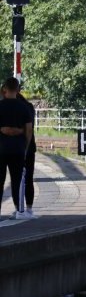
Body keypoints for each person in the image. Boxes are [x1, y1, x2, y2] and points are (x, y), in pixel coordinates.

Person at [0, 76, 30, 219]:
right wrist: (25, 147)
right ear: (18, 90)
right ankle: (19, 210)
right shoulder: (24, 107)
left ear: (5, 89)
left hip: (1, 149)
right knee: (17, 181)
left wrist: (5, 130)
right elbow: (28, 130)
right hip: (18, 149)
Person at [12, 78, 34, 219]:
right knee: (27, 178)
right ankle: (28, 209)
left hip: (12, 147)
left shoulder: (6, 105)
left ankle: (18, 209)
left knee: (15, 179)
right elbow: (30, 129)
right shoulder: (28, 106)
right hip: (28, 147)